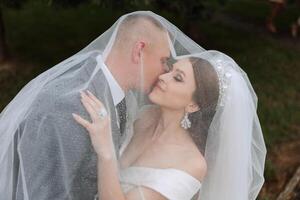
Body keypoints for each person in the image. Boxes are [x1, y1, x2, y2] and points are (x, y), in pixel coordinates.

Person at [0, 12, 171, 200]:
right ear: (139, 51)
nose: (165, 72)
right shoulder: (68, 106)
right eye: (163, 60)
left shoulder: (122, 99)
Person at [73, 50, 267, 200]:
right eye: (170, 70)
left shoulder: (192, 164)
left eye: (178, 78)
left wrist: (105, 152)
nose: (163, 77)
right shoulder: (144, 116)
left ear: (193, 105)